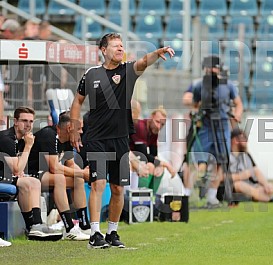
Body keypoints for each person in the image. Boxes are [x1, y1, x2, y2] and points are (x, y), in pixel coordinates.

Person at [69, 32, 175, 249]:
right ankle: (94, 233)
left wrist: (157, 52)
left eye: (121, 46)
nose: (120, 49)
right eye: (115, 46)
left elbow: (144, 62)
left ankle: (112, 233)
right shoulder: (91, 74)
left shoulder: (127, 70)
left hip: (120, 139)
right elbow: (78, 101)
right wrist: (74, 125)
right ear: (103, 50)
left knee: (118, 189)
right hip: (96, 138)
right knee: (98, 183)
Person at [185, 54, 243, 207]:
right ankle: (187, 194)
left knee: (220, 161)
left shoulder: (228, 85)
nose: (211, 70)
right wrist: (193, 110)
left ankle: (212, 196)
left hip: (222, 125)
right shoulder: (199, 86)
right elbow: (195, 104)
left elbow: (238, 103)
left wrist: (237, 114)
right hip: (205, 124)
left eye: (213, 67)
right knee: (198, 159)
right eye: (208, 67)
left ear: (218, 68)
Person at [0, 106, 62, 240]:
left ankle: (33, 227)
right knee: (31, 182)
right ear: (15, 121)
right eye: (24, 121)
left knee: (30, 182)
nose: (28, 125)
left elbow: (18, 168)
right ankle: (36, 225)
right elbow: (16, 169)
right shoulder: (7, 138)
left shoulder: (22, 139)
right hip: (2, 177)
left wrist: (20, 171)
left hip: (6, 175)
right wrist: (28, 146)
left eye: (31, 121)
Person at [27, 112, 90, 240]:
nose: (82, 131)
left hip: (46, 176)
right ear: (69, 128)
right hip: (30, 175)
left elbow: (71, 164)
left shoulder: (66, 139)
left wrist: (83, 174)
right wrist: (83, 173)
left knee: (77, 180)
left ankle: (85, 226)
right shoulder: (49, 135)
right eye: (79, 128)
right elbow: (54, 167)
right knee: (59, 178)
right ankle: (69, 228)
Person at [229, 128, 273, 203]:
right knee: (240, 185)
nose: (246, 141)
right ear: (235, 140)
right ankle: (269, 199)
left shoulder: (246, 155)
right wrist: (241, 176)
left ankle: (262, 193)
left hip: (248, 185)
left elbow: (256, 171)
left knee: (263, 188)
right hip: (232, 186)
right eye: (243, 138)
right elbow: (223, 177)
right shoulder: (227, 157)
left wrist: (266, 185)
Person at [130, 106, 176, 194]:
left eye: (162, 124)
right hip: (127, 157)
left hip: (137, 158)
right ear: (151, 117)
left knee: (158, 169)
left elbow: (154, 154)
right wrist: (166, 164)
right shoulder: (140, 127)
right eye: (157, 122)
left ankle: (151, 199)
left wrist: (160, 166)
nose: (159, 127)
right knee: (150, 166)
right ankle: (140, 198)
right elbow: (143, 155)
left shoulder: (154, 131)